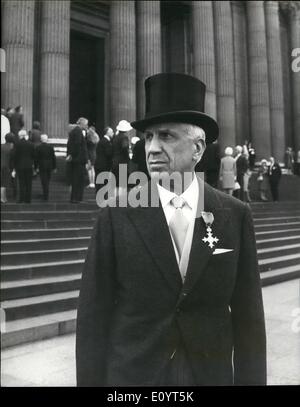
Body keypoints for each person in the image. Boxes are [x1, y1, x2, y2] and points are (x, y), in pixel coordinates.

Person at [76, 73, 266, 387]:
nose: (152, 148)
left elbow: (249, 321)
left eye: (166, 136)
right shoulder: (115, 215)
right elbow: (92, 321)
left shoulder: (235, 215)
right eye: (148, 137)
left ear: (198, 148)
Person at [66, 117, 89, 203]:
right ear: (81, 124)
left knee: (76, 180)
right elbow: (77, 146)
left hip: (76, 159)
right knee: (78, 180)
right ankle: (77, 198)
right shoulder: (78, 132)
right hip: (78, 160)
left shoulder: (74, 131)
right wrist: (74, 155)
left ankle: (75, 198)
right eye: (86, 124)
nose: (87, 126)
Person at [11, 129, 35, 203]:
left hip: (20, 166)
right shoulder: (31, 144)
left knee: (21, 183)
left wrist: (14, 167)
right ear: (25, 136)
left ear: (20, 136)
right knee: (29, 183)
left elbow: (14, 156)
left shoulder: (17, 144)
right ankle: (28, 199)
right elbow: (34, 156)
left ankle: (21, 199)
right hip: (29, 165)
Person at [112, 119, 131, 196]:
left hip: (115, 162)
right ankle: (121, 200)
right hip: (122, 162)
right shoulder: (124, 138)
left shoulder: (115, 137)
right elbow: (125, 148)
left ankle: (115, 198)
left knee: (116, 183)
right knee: (122, 183)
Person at [34, 134, 57, 201]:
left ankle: (45, 195)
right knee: (47, 180)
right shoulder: (50, 147)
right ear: (47, 139)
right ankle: (46, 194)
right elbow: (53, 157)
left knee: (44, 181)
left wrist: (35, 167)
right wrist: (54, 167)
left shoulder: (38, 147)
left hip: (42, 166)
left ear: (41, 139)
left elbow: (36, 159)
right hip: (49, 166)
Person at [94, 126, 114, 194]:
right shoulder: (106, 142)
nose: (113, 133)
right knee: (103, 182)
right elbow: (108, 153)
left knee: (99, 182)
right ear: (108, 133)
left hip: (99, 164)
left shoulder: (102, 141)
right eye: (111, 132)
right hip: (104, 165)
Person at [1, 133, 14, 203]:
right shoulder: (12, 147)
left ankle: (4, 197)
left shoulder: (1, 146)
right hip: (7, 166)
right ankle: (2, 198)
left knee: (2, 182)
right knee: (4, 182)